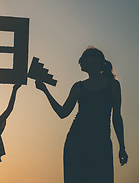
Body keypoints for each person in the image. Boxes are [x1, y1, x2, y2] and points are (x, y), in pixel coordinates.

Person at [35, 46, 128, 183]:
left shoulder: (113, 85)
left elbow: (117, 117)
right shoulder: (78, 87)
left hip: (100, 143)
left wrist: (122, 147)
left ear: (96, 61)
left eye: (84, 58)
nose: (80, 61)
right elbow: (63, 112)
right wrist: (45, 90)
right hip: (76, 144)